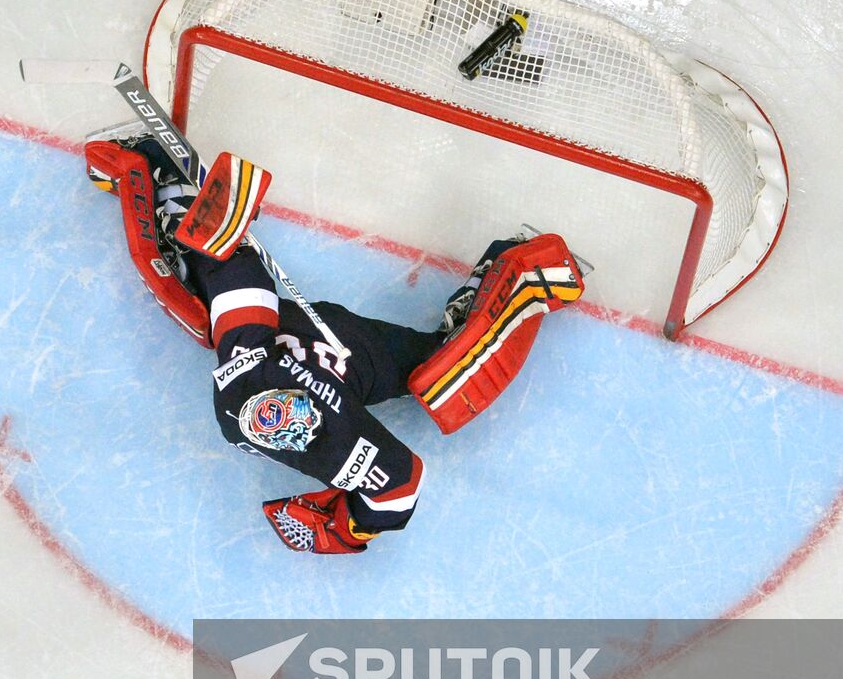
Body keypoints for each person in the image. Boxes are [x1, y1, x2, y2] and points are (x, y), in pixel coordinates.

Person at [85, 132, 583, 555]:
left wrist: (213, 229)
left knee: (229, 287)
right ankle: (177, 206)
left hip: (311, 363)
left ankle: (169, 198)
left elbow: (394, 489)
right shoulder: (306, 424)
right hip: (336, 367)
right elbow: (396, 488)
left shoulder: (254, 389)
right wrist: (350, 526)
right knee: (439, 373)